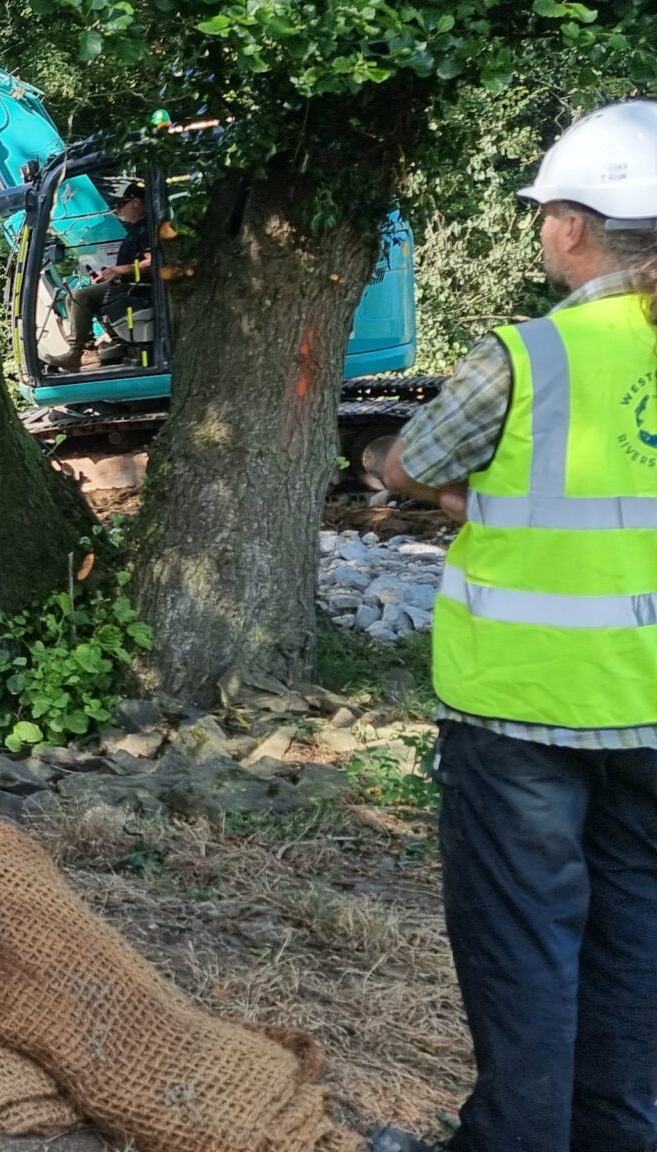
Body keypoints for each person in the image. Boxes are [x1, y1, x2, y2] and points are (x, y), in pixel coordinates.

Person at [361, 100, 657, 1152]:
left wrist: (414, 483)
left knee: (525, 952)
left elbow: (411, 467)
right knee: (634, 951)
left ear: (575, 227)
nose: (540, 231)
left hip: (524, 709)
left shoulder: (530, 354)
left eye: (545, 213)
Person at [45, 182, 156, 371]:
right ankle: (107, 345)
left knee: (82, 296)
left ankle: (79, 353)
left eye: (121, 204)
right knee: (76, 299)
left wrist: (120, 271)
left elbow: (152, 261)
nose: (116, 210)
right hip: (128, 284)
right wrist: (111, 275)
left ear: (136, 202)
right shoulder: (136, 229)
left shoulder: (147, 229)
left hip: (139, 288)